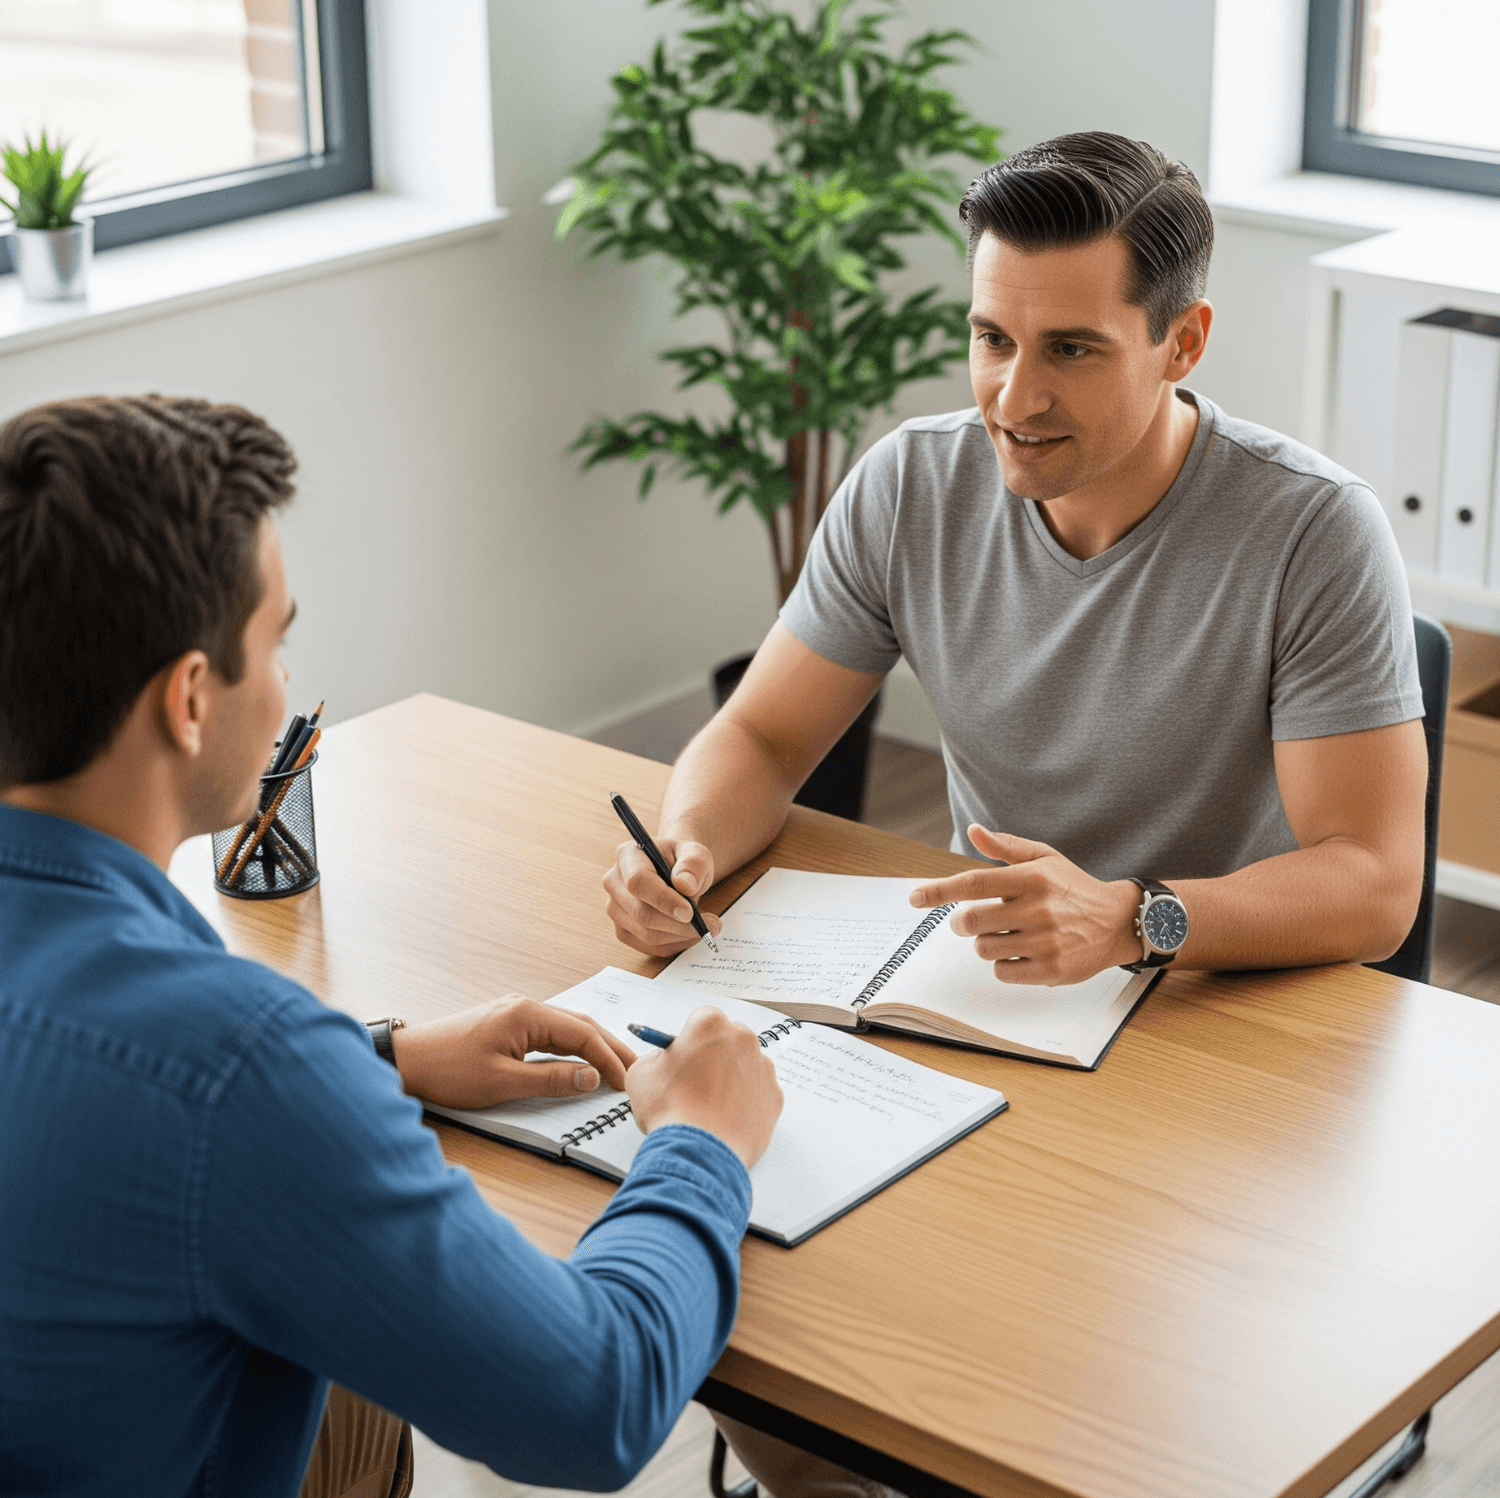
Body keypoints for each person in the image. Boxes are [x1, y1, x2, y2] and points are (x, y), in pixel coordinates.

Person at [603, 132, 1427, 1497]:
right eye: (990, 337)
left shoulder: (1308, 533)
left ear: (1183, 341)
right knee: (749, 1296)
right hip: (987, 1009)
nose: (1013, 395)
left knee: (1085, 1408)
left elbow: (1377, 880)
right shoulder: (911, 484)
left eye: (1072, 351)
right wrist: (690, 845)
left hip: (1222, 1035)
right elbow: (759, 730)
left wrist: (1136, 914)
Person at [0, 394, 784, 1498]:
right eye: (276, 641)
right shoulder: (240, 1067)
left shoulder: (216, 1058)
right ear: (187, 697)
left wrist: (378, 1057)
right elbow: (597, 1403)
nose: (283, 685)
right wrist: (702, 1138)